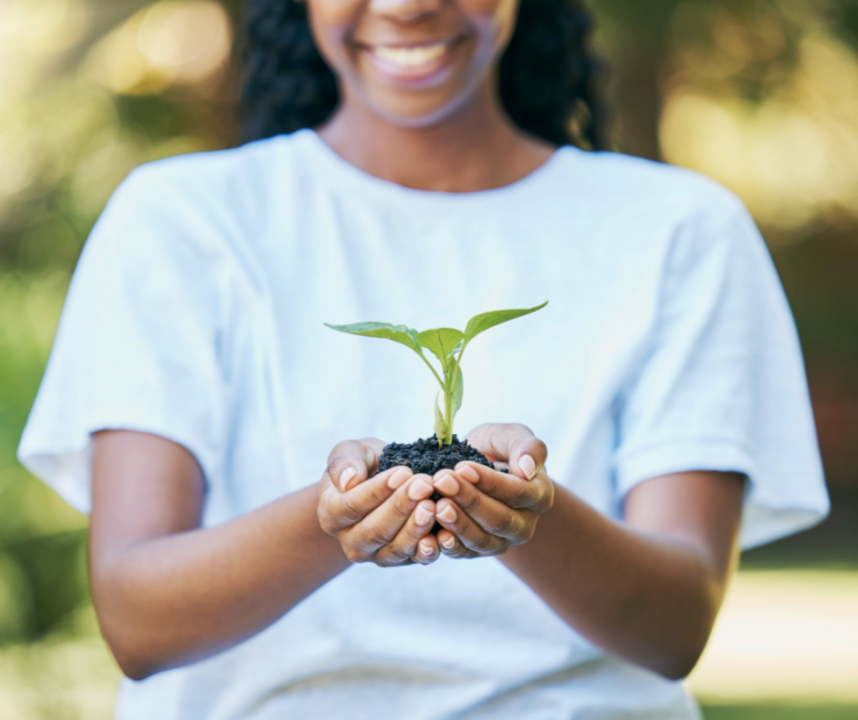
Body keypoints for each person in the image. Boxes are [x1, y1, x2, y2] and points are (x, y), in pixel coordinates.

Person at [18, 0, 830, 717]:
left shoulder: (681, 229)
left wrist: (527, 513)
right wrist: (330, 520)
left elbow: (676, 626)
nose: (406, 4)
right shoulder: (180, 221)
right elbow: (136, 620)